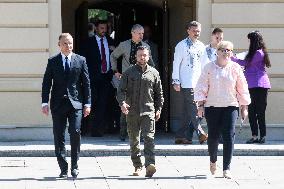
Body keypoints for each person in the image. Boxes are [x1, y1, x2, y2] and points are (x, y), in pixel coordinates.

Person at [194, 41, 251, 179]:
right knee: (213, 137)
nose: (226, 53)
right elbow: (201, 86)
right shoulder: (209, 67)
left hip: (230, 106)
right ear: (217, 52)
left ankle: (226, 168)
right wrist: (200, 105)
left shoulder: (236, 68)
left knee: (229, 136)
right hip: (212, 106)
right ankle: (213, 160)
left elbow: (242, 88)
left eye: (229, 50)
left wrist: (244, 107)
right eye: (223, 50)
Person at [41, 33, 91, 178]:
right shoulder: (53, 61)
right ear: (59, 45)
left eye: (70, 43)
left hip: (76, 104)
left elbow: (86, 83)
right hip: (57, 105)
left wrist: (87, 103)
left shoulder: (80, 60)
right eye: (65, 43)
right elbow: (46, 83)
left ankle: (75, 166)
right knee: (59, 136)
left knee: (75, 132)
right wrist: (44, 102)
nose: (68, 46)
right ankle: (63, 167)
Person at [117, 46, 163, 177]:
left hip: (148, 111)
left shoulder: (154, 73)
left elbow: (159, 93)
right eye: (140, 55)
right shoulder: (129, 72)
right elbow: (120, 91)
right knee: (134, 140)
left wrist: (159, 109)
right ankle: (137, 165)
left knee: (149, 138)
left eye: (145, 55)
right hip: (132, 111)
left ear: (148, 57)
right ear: (135, 57)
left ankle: (150, 165)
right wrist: (122, 103)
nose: (142, 57)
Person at [110, 24, 154, 141]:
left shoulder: (146, 47)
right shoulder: (124, 45)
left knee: (143, 107)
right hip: (127, 79)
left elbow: (152, 64)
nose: (141, 36)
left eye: (143, 34)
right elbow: (113, 56)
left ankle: (142, 135)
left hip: (142, 80)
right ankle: (123, 133)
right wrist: (115, 71)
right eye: (139, 33)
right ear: (132, 33)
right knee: (125, 106)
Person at [172, 21, 208, 144]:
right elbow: (176, 64)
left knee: (187, 111)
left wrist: (207, 80)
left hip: (198, 82)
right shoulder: (181, 45)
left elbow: (205, 65)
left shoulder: (201, 46)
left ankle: (180, 136)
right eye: (194, 31)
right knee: (194, 108)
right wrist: (175, 81)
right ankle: (200, 132)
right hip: (186, 82)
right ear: (188, 30)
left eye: (198, 31)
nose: (196, 33)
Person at [231, 31, 271, 144]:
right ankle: (254, 136)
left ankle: (262, 136)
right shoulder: (254, 52)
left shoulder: (259, 53)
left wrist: (232, 58)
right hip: (251, 85)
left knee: (260, 112)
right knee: (252, 112)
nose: (248, 42)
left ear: (253, 41)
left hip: (260, 85)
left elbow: (245, 63)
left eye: (249, 40)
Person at [80, 20, 115, 137]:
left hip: (106, 76)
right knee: (91, 102)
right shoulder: (88, 42)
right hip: (93, 77)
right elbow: (83, 60)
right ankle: (85, 128)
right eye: (101, 28)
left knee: (103, 103)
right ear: (96, 28)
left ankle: (98, 130)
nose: (103, 31)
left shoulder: (111, 41)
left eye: (105, 28)